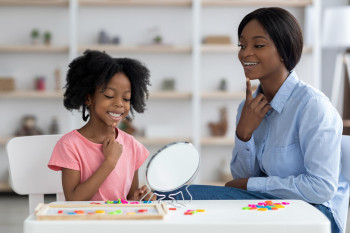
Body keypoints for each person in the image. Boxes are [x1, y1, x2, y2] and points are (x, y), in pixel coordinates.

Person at [162, 7, 348, 233]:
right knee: (169, 197)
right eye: (242, 45)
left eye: (258, 45)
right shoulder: (247, 108)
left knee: (180, 197)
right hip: (267, 205)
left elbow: (321, 188)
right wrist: (244, 135)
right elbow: (242, 179)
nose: (244, 53)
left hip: (315, 212)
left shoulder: (313, 106)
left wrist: (251, 185)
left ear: (283, 50)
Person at [48, 50, 155, 202]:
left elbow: (128, 199)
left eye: (126, 98)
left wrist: (138, 198)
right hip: (84, 224)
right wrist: (109, 162)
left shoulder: (131, 145)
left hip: (119, 223)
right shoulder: (69, 145)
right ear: (88, 98)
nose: (119, 103)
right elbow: (73, 200)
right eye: (109, 96)